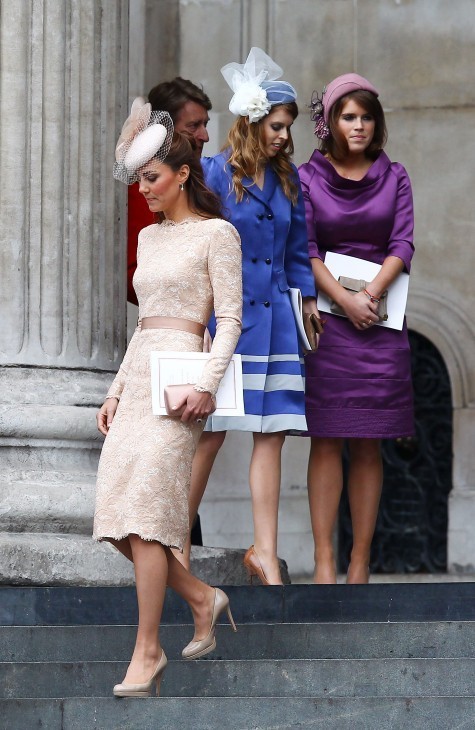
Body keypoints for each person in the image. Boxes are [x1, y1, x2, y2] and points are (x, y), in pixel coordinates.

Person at [93, 98, 242, 696]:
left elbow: (228, 319)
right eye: (140, 180)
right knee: (118, 519)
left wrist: (207, 383)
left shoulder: (218, 232)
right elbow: (143, 325)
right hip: (139, 382)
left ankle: (147, 649)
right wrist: (115, 390)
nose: (145, 190)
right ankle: (202, 597)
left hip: (184, 383)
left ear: (182, 174)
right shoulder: (150, 240)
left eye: (152, 178)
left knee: (150, 514)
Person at [178, 48, 318, 585]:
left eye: (288, 128)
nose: (285, 136)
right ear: (253, 122)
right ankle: (174, 541)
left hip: (279, 322)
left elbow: (297, 248)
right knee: (210, 433)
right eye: (278, 127)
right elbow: (194, 243)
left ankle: (266, 550)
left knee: (271, 432)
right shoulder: (213, 172)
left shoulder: (290, 183)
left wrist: (306, 301)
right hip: (229, 326)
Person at [298, 73, 415, 585]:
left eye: (367, 116)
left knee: (369, 441)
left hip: (382, 326)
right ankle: (324, 561)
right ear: (330, 123)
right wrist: (346, 300)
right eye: (349, 116)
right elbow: (306, 250)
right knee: (325, 438)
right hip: (329, 326)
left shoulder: (396, 176)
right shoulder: (307, 178)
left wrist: (370, 296)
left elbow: (403, 244)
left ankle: (359, 563)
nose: (360, 125)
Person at [127, 78, 212, 305]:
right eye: (194, 126)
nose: (205, 136)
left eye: (205, 124)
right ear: (166, 131)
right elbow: (133, 273)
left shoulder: (206, 177)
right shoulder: (146, 189)